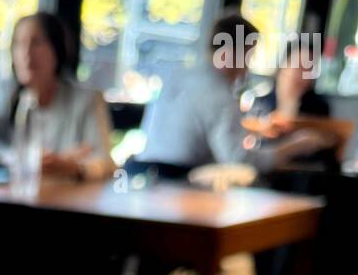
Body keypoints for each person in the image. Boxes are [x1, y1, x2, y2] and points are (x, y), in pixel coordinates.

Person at [141, 13, 334, 171]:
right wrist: (295, 146)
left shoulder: (178, 76)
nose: (246, 69)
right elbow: (238, 161)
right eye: (247, 57)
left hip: (144, 176)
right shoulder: (220, 94)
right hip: (177, 186)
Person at [0, 12, 115, 180]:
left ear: (57, 50)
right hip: (13, 198)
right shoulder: (8, 92)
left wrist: (72, 166)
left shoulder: (86, 98)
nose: (26, 53)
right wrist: (22, 159)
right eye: (18, 44)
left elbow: (105, 163)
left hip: (67, 201)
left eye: (36, 43)